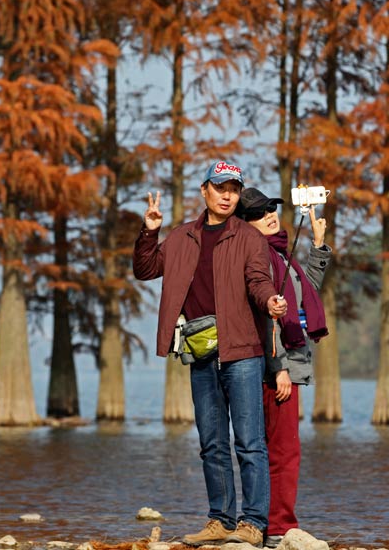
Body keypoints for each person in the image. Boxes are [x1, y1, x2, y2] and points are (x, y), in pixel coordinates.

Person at [132, 161, 288, 547]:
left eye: (234, 189)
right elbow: (145, 269)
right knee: (212, 444)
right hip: (201, 354)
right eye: (220, 188)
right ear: (205, 190)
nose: (227, 195)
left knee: (249, 443)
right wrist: (149, 230)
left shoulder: (249, 238)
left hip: (244, 352)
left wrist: (270, 300)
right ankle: (220, 519)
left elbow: (258, 280)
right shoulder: (181, 237)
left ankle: (253, 523)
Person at [238, 187, 331, 548]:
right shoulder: (257, 259)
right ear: (244, 224)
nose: (270, 216)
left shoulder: (278, 254)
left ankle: (267, 523)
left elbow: (306, 294)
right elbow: (263, 321)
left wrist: (317, 246)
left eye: (271, 208)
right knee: (281, 449)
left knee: (276, 448)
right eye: (259, 213)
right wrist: (278, 368)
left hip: (287, 364)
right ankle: (278, 527)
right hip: (275, 368)